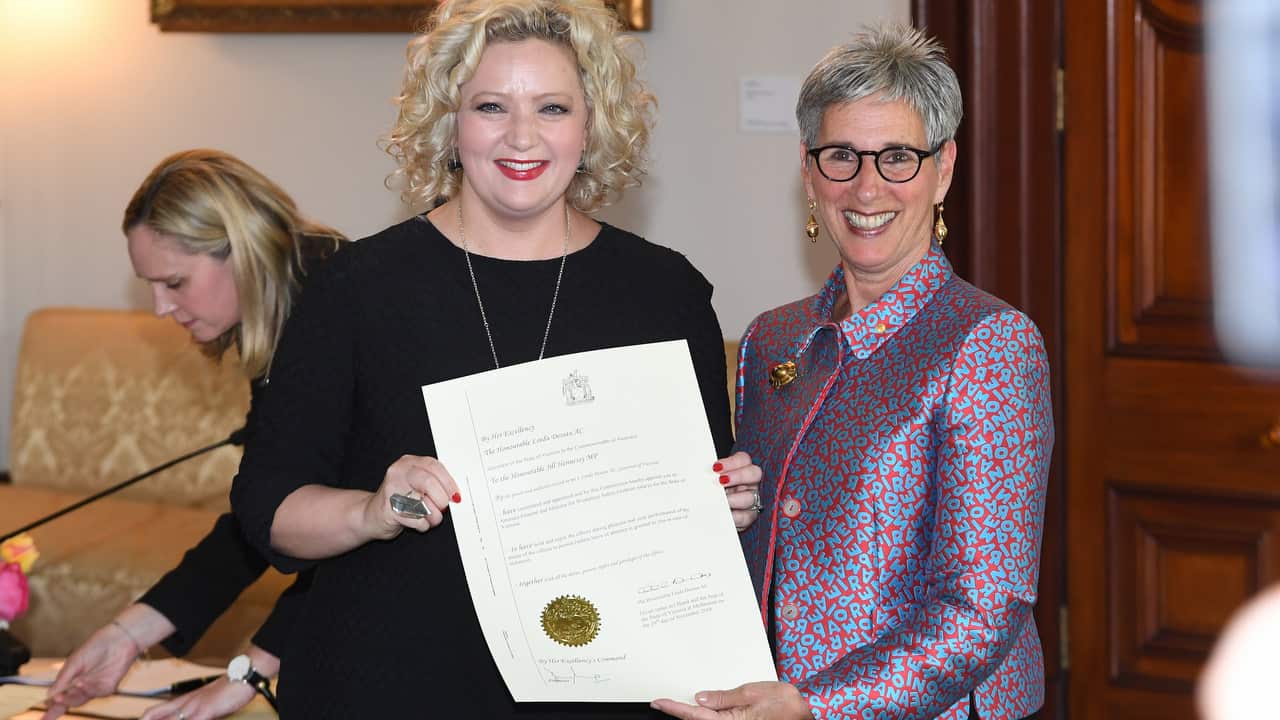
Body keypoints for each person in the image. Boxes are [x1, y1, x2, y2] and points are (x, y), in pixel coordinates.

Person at [228, 0, 761, 717]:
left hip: (598, 694)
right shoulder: (357, 288)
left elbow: (692, 508)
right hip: (388, 685)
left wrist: (721, 506)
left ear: (592, 125)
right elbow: (268, 507)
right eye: (490, 106)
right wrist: (371, 511)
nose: (521, 136)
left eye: (552, 107)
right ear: (449, 122)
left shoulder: (666, 295)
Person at [652, 24, 1054, 720]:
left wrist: (818, 705)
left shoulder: (990, 344)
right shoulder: (772, 339)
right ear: (809, 172)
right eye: (841, 156)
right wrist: (724, 512)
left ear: (943, 169)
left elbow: (985, 608)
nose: (867, 187)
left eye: (898, 157)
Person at [42, 149, 345, 720]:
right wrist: (128, 633)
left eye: (175, 282)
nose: (161, 307)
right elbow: (265, 518)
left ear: (241, 247)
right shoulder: (286, 312)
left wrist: (249, 673)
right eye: (152, 286)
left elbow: (363, 539)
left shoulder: (337, 311)